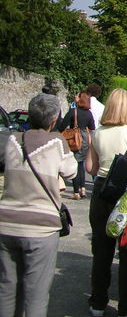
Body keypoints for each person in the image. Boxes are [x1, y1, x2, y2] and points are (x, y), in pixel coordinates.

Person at [0, 93, 78, 317]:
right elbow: (71, 171)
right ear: (54, 120)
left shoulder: (13, 139)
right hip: (41, 227)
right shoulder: (57, 142)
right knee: (36, 292)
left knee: (7, 288)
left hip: (6, 221)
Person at [85, 88, 127, 317]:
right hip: (126, 194)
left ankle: (98, 302)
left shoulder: (98, 133)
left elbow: (90, 168)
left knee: (101, 251)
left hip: (102, 190)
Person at [57, 90, 96, 199]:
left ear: (80, 98)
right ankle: (83, 188)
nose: (75, 96)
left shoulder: (73, 111)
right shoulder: (89, 113)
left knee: (74, 164)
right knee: (81, 165)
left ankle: (76, 192)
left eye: (77, 96)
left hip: (74, 139)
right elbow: (92, 128)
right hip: (84, 138)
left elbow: (62, 126)